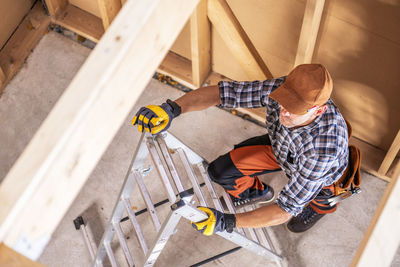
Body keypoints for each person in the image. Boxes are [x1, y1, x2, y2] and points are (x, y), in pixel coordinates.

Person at [132, 64, 349, 235]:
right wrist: (171, 109)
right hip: (282, 148)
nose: (285, 112)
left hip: (320, 174)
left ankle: (322, 207)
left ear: (319, 110)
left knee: (317, 197)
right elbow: (225, 93)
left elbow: (285, 209)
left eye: (295, 109)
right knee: (219, 171)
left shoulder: (323, 152)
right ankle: (256, 193)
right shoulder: (282, 89)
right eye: (285, 102)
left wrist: (227, 221)